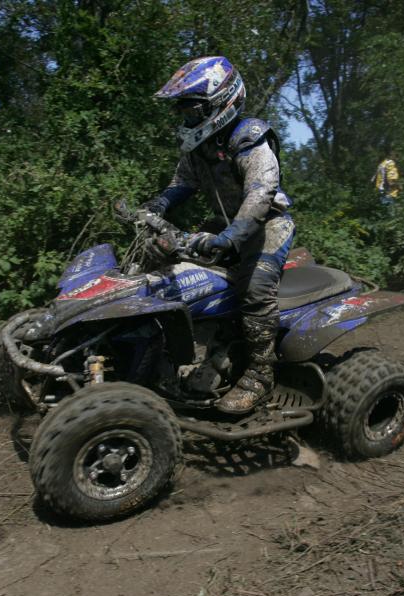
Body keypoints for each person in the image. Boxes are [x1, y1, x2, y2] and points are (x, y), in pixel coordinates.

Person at [140, 56, 294, 414]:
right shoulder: (199, 146)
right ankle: (161, 355)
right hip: (226, 224)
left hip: (267, 224)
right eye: (183, 112)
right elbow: (182, 183)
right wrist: (156, 206)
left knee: (254, 290)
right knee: (163, 258)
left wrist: (229, 238)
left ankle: (260, 375)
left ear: (220, 104)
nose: (186, 119)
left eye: (192, 111)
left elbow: (261, 192)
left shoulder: (250, 137)